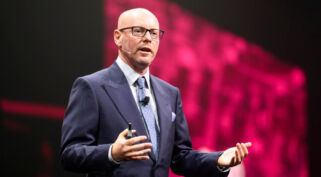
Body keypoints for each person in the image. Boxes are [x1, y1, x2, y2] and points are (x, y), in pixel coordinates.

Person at [60, 8, 251, 177]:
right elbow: (70, 154)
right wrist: (111, 153)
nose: (148, 38)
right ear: (117, 36)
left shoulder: (169, 93)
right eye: (138, 31)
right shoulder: (91, 87)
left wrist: (218, 160)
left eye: (154, 33)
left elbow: (180, 157)